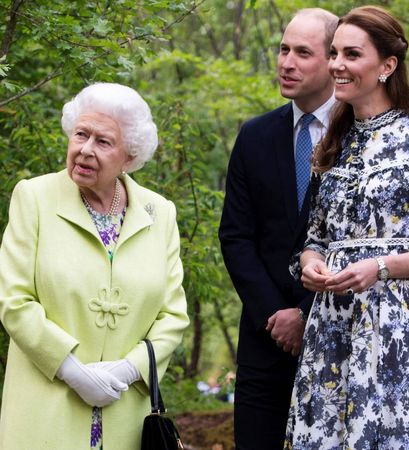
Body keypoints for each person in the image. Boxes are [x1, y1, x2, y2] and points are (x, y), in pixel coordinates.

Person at [285, 6, 409, 449]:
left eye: (351, 54)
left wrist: (381, 267)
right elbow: (316, 237)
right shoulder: (332, 142)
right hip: (330, 324)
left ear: (387, 65)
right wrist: (310, 263)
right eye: (334, 53)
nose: (337, 64)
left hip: (394, 322)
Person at [0, 83, 190, 450]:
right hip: (47, 409)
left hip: (126, 411)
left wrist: (128, 369)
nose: (85, 150)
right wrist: (71, 369)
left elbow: (173, 315)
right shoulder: (34, 198)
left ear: (129, 157)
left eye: (103, 142)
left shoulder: (158, 212)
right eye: (81, 135)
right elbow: (14, 299)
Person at [219, 8, 338, 449]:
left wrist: (306, 314)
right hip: (263, 337)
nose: (286, 62)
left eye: (302, 53)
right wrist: (277, 316)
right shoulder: (255, 135)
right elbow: (235, 235)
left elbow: (363, 240)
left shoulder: (362, 135)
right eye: (283, 49)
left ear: (334, 60)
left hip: (337, 334)